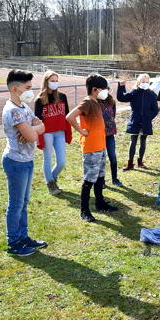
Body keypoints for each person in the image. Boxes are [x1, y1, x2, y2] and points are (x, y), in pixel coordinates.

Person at [1, 70, 47, 257]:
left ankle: (23, 236)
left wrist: (33, 130)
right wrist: (33, 130)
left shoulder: (24, 107)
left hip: (27, 160)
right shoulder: (12, 110)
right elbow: (31, 135)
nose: (31, 91)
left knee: (24, 202)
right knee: (16, 203)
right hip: (15, 162)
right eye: (27, 88)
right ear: (15, 88)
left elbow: (41, 127)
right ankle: (13, 242)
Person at [67, 74, 119, 222]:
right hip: (91, 148)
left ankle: (100, 203)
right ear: (95, 89)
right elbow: (70, 117)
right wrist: (81, 130)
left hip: (101, 146)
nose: (106, 92)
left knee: (100, 177)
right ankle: (84, 211)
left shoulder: (98, 102)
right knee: (89, 179)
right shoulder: (88, 102)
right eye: (104, 89)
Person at [34, 70, 72, 195]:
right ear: (46, 82)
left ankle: (52, 177)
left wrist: (68, 131)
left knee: (61, 161)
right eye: (52, 81)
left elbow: (66, 115)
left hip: (59, 132)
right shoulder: (39, 100)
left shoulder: (62, 97)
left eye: (56, 81)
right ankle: (50, 184)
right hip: (47, 133)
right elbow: (37, 120)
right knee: (48, 159)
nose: (55, 83)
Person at [117, 73, 159, 170]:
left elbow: (155, 110)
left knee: (143, 142)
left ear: (149, 82)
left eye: (146, 81)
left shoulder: (152, 95)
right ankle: (130, 163)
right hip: (135, 121)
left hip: (146, 123)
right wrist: (121, 87)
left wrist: (148, 117)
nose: (144, 83)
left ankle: (140, 161)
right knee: (133, 142)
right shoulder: (134, 92)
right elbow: (122, 97)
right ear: (138, 82)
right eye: (142, 81)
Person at [98, 83, 123, 187]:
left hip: (110, 134)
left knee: (112, 156)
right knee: (101, 158)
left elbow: (114, 114)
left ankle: (115, 178)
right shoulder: (95, 102)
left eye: (106, 89)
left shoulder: (111, 101)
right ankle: (101, 181)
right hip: (99, 134)